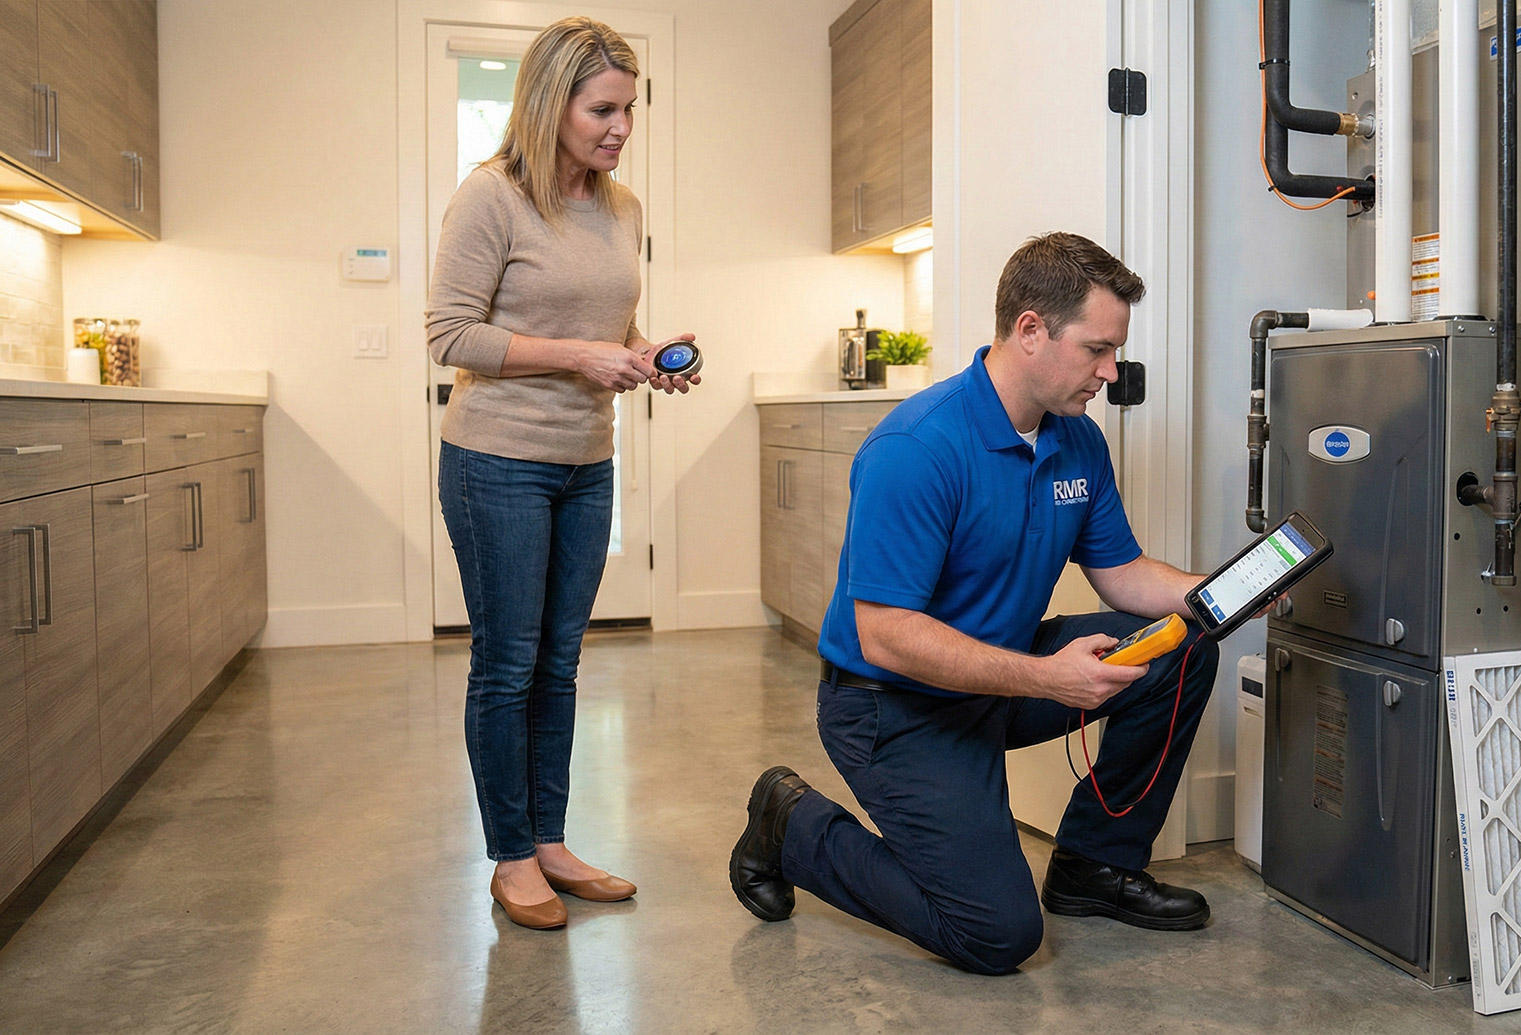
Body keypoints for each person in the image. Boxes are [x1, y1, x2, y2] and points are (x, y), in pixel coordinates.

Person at [729, 232, 1219, 974]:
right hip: (892, 706)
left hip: (998, 676)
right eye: (1095, 349)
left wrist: (1219, 592)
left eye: (1114, 350)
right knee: (997, 935)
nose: (1111, 371)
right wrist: (1049, 676)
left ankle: (1093, 865)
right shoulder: (918, 448)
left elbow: (1121, 574)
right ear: (1030, 331)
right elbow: (887, 636)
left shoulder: (1077, 441)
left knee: (1186, 641)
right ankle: (789, 823)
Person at [426, 16, 697, 931]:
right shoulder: (491, 196)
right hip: (495, 461)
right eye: (603, 110)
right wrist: (578, 357)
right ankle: (510, 855)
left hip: (586, 462)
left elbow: (608, 322)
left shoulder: (621, 208)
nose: (621, 128)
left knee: (562, 662)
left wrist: (644, 349)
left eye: (630, 109)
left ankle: (550, 839)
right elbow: (450, 336)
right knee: (506, 665)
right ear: (552, 104)